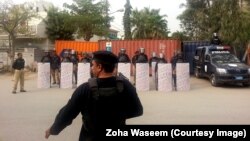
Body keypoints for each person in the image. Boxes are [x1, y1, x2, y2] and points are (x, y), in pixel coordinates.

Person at [45, 51, 143, 141]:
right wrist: (117, 116)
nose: (91, 68)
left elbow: (67, 114)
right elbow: (138, 110)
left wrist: (53, 129)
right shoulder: (126, 85)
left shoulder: (84, 89)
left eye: (93, 65)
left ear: (99, 67)